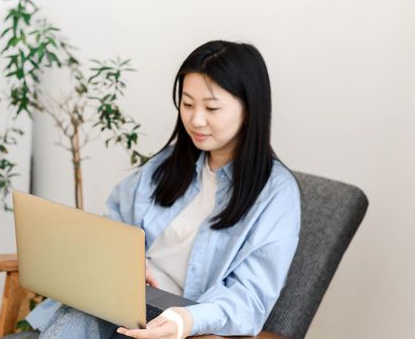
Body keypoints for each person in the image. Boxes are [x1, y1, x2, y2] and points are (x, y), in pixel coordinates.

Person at [19, 40, 301, 339]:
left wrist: (185, 321)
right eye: (188, 104)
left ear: (250, 107)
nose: (196, 120)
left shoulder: (276, 195)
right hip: (127, 303)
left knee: (82, 316)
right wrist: (127, 264)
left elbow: (250, 299)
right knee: (85, 310)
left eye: (212, 107)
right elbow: (112, 224)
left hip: (183, 326)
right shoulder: (168, 164)